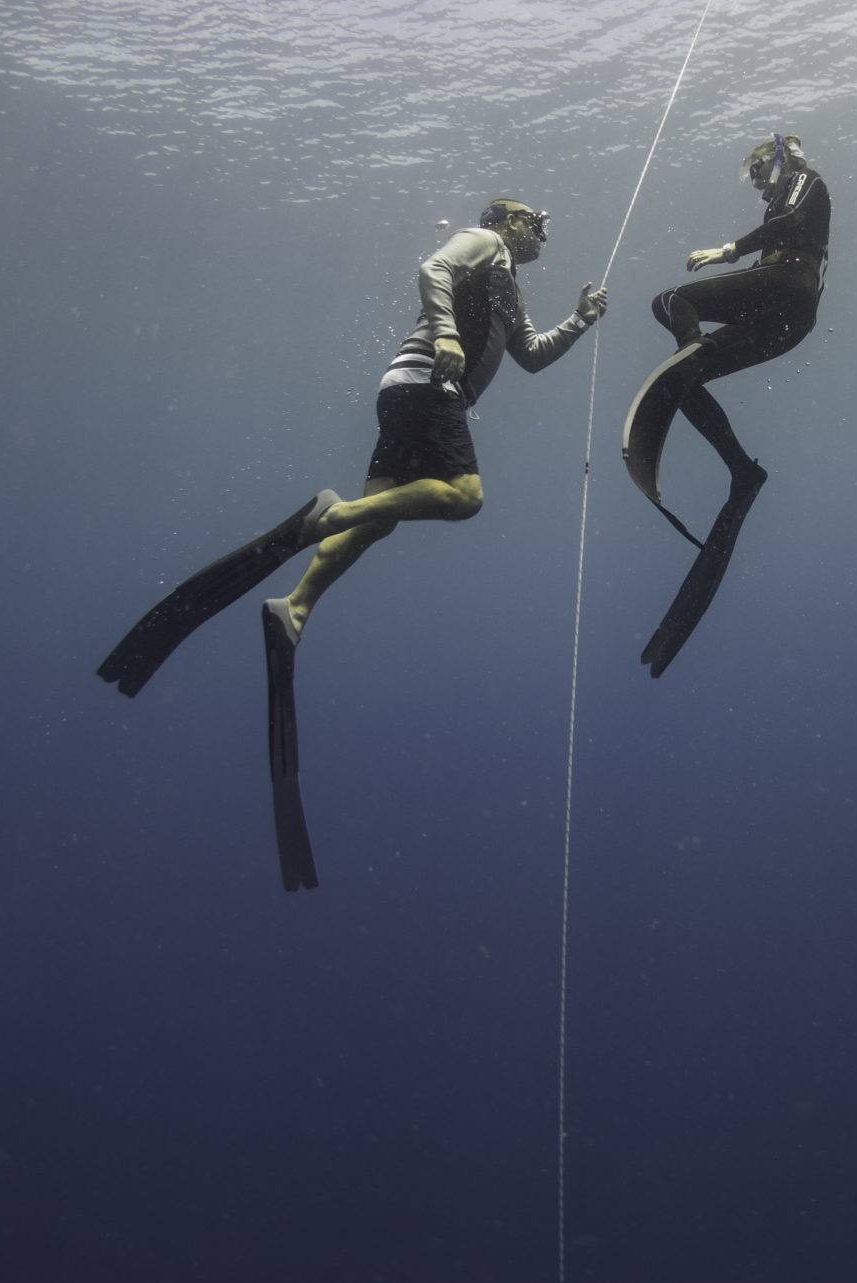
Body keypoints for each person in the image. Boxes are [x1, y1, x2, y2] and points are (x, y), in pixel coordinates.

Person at [97, 199, 606, 887]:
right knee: (463, 498)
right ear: (505, 220)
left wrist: (581, 319)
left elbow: (533, 357)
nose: (541, 228)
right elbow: (433, 267)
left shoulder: (510, 284)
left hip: (412, 389)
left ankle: (295, 607)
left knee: (379, 519)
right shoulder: (484, 241)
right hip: (430, 384)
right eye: (532, 217)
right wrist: (447, 335)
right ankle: (325, 516)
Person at [623, 135, 830, 676]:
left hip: (788, 287)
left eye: (758, 168)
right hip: (790, 318)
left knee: (672, 299)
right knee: (684, 384)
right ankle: (742, 471)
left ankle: (690, 348)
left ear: (781, 157)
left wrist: (728, 250)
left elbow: (788, 224)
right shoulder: (782, 197)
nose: (757, 181)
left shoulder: (804, 180)